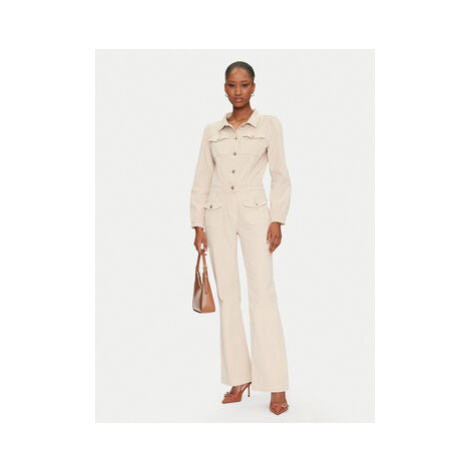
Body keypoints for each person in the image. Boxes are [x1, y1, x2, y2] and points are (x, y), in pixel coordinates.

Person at [189, 61, 292, 415]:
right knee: (228, 296)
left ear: (253, 87)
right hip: (217, 213)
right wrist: (197, 224)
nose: (238, 91)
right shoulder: (211, 131)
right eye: (232, 85)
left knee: (263, 294)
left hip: (254, 212)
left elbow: (280, 175)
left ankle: (275, 384)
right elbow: (202, 178)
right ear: (224, 87)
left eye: (244, 84)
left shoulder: (269, 126)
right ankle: (238, 377)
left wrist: (277, 218)